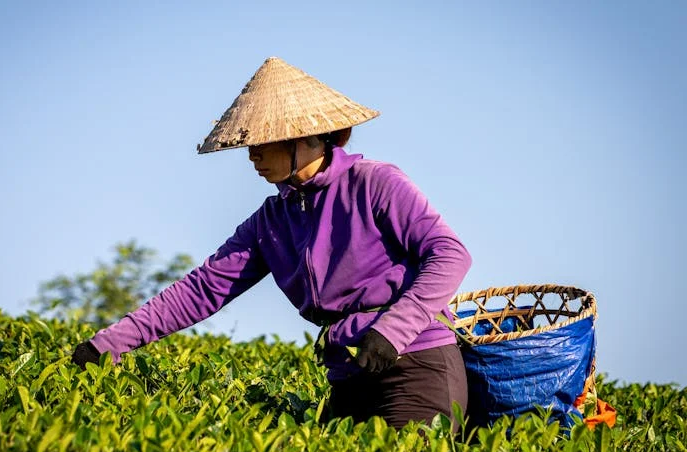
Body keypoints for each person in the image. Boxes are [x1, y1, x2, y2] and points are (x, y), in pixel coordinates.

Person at [71, 57, 472, 430]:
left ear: (305, 138)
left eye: (263, 143)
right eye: (250, 146)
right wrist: (106, 345)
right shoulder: (271, 219)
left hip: (416, 362)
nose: (253, 157)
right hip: (347, 373)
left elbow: (450, 254)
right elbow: (202, 289)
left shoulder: (373, 182)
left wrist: (392, 331)